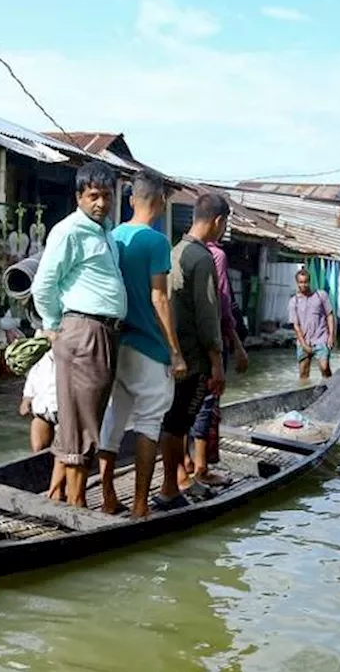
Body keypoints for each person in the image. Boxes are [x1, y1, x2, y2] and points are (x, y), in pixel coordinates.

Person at [31, 161, 128, 507]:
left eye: (106, 196)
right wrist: (53, 326)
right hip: (82, 331)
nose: (100, 203)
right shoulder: (70, 230)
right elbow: (43, 284)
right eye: (93, 196)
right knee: (80, 424)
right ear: (79, 197)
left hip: (103, 332)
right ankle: (76, 506)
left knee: (89, 419)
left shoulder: (104, 232)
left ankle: (70, 500)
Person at [95, 171, 184, 518]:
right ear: (161, 202)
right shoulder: (157, 242)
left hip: (116, 344)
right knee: (148, 424)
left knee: (112, 423)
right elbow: (159, 296)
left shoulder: (113, 236)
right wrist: (174, 350)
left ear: (131, 200)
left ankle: (106, 498)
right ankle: (141, 505)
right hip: (149, 346)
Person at [158, 190, 228, 509]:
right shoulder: (202, 258)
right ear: (218, 222)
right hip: (193, 358)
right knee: (178, 424)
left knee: (171, 422)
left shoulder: (175, 252)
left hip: (172, 354)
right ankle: (171, 486)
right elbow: (208, 315)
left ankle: (179, 477)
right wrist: (217, 362)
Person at [182, 212, 251, 491]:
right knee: (207, 403)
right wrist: (236, 342)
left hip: (185, 342)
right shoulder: (215, 256)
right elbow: (220, 304)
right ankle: (201, 467)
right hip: (210, 341)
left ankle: (185, 463)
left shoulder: (181, 250)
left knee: (184, 404)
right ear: (219, 221)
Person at [19, 343, 65, 501]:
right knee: (39, 450)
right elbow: (33, 375)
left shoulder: (73, 346)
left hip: (65, 409)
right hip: (42, 408)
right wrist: (26, 398)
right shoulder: (40, 350)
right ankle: (44, 486)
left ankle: (57, 491)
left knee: (65, 452)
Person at [289, 269, 335, 379]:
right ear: (297, 283)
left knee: (324, 368)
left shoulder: (321, 295)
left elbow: (329, 315)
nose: (303, 285)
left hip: (321, 337)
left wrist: (331, 336)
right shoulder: (293, 301)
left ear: (309, 282)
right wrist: (303, 344)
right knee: (303, 373)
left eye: (305, 282)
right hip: (304, 340)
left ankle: (330, 387)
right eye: (300, 282)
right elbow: (296, 325)